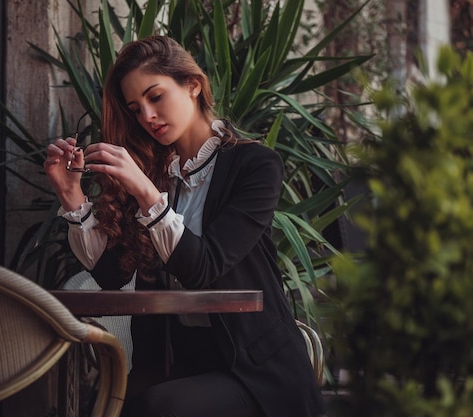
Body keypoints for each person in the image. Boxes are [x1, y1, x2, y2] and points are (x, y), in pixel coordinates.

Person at [44, 35, 324, 417]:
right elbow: (112, 274)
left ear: (193, 85)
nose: (146, 117)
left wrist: (144, 190)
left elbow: (203, 266)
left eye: (155, 97)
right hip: (180, 362)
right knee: (104, 403)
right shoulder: (158, 173)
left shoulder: (255, 165)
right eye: (135, 108)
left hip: (256, 374)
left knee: (160, 407)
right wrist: (71, 194)